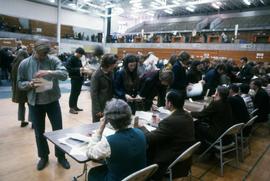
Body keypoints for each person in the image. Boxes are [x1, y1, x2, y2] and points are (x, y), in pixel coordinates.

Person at [17, 41, 70, 171]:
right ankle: (44, 157)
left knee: (58, 130)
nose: (42, 57)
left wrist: (48, 72)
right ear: (34, 51)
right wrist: (29, 84)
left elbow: (64, 75)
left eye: (45, 55)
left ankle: (61, 156)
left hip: (52, 102)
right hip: (35, 104)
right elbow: (19, 83)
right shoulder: (24, 64)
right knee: (39, 133)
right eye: (40, 54)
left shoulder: (52, 60)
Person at [87, 99, 147, 181]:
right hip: (139, 176)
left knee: (93, 173)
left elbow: (90, 153)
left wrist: (100, 128)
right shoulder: (140, 133)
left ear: (110, 121)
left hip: (119, 178)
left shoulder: (109, 143)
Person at [142, 90, 195, 180]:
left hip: (171, 158)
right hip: (184, 157)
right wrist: (160, 124)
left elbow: (149, 138)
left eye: (166, 100)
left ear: (169, 104)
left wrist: (141, 127)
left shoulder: (170, 121)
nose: (165, 101)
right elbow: (172, 129)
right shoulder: (187, 115)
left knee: (148, 147)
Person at [90, 54, 117, 122]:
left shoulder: (111, 72)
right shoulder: (96, 75)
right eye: (112, 65)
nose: (114, 66)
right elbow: (93, 94)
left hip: (109, 105)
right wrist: (97, 110)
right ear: (106, 65)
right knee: (98, 126)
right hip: (100, 106)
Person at [11, 49, 30, 127]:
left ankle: (22, 121)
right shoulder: (25, 63)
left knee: (21, 105)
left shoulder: (14, 63)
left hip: (17, 88)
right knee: (31, 105)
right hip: (26, 87)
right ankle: (33, 122)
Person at [65, 47, 85, 114]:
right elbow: (69, 69)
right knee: (73, 94)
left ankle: (75, 106)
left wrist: (83, 70)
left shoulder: (78, 59)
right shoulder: (71, 59)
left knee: (77, 93)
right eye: (81, 54)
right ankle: (71, 108)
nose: (82, 56)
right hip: (74, 78)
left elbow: (80, 68)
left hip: (80, 78)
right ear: (78, 53)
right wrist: (79, 69)